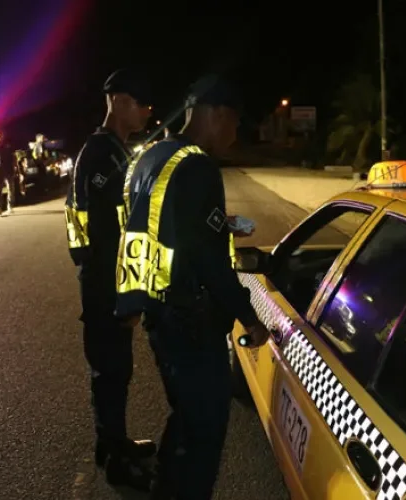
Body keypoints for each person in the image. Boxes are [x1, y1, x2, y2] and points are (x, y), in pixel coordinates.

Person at [114, 75, 271, 500]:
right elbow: (211, 263)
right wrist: (251, 317)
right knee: (204, 434)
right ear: (216, 115)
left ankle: (167, 484)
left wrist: (224, 225)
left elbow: (167, 225)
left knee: (185, 418)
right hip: (192, 323)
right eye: (235, 124)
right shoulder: (198, 165)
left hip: (159, 314)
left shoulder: (151, 156)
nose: (235, 136)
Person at [63, 68, 156, 491]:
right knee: (112, 371)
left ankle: (112, 444)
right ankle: (117, 461)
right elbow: (103, 234)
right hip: (106, 286)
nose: (147, 110)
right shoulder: (102, 155)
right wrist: (124, 294)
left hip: (105, 282)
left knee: (116, 371)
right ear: (118, 101)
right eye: (141, 102)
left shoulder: (114, 150)